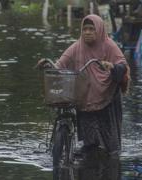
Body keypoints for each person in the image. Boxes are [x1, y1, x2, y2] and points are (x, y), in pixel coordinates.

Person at [37, 14, 130, 155]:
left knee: (112, 149)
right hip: (85, 97)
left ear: (99, 30)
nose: (87, 32)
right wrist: (48, 65)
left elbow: (123, 66)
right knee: (89, 145)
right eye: (85, 29)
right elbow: (61, 64)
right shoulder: (77, 46)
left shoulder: (109, 45)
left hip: (107, 97)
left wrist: (111, 66)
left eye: (91, 29)